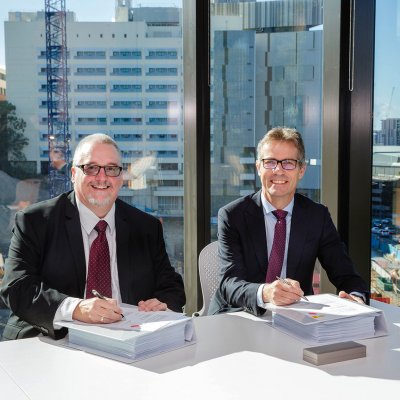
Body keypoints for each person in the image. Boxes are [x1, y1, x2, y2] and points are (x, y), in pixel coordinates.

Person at [0, 133, 185, 340]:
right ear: (73, 173)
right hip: (50, 339)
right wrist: (76, 308)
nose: (102, 177)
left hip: (127, 340)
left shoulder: (146, 227)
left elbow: (172, 286)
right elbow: (16, 287)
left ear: (121, 178)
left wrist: (162, 303)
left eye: (111, 169)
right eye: (91, 167)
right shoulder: (35, 221)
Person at [208, 127, 368, 316]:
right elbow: (229, 283)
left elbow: (345, 273)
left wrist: (356, 296)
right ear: (258, 167)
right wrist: (265, 293)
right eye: (270, 162)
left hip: (296, 315)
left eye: (288, 163)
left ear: (301, 170)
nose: (278, 170)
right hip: (238, 314)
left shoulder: (317, 216)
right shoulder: (232, 215)